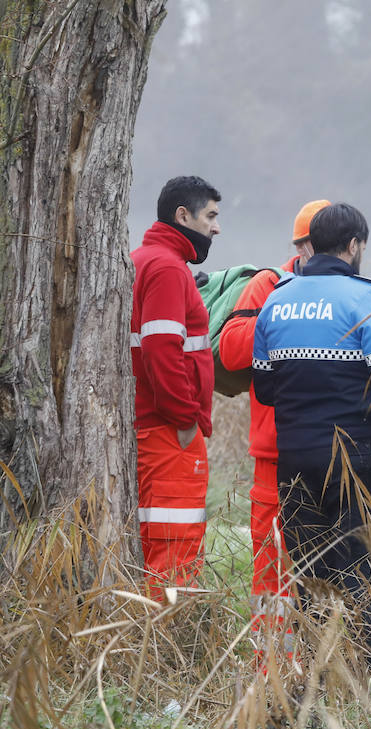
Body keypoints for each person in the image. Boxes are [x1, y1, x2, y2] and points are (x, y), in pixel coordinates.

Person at [251, 203, 371, 673]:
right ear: (353, 246)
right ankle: (356, 677)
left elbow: (266, 387)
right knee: (356, 566)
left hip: (295, 460)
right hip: (357, 459)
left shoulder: (278, 298)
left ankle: (313, 668)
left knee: (309, 570)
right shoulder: (363, 298)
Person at [219, 199, 330, 664]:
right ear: (300, 246)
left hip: (333, 455)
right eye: (313, 246)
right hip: (275, 457)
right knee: (272, 567)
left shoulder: (348, 292)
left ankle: (322, 663)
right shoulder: (270, 284)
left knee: (328, 565)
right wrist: (285, 311)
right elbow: (230, 352)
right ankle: (271, 667)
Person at [130, 175, 221, 601]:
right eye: (211, 216)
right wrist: (186, 419)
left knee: (154, 541)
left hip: (151, 426)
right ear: (182, 216)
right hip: (168, 433)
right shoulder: (167, 268)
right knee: (174, 547)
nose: (215, 228)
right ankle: (169, 650)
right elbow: (162, 349)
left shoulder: (144, 259)